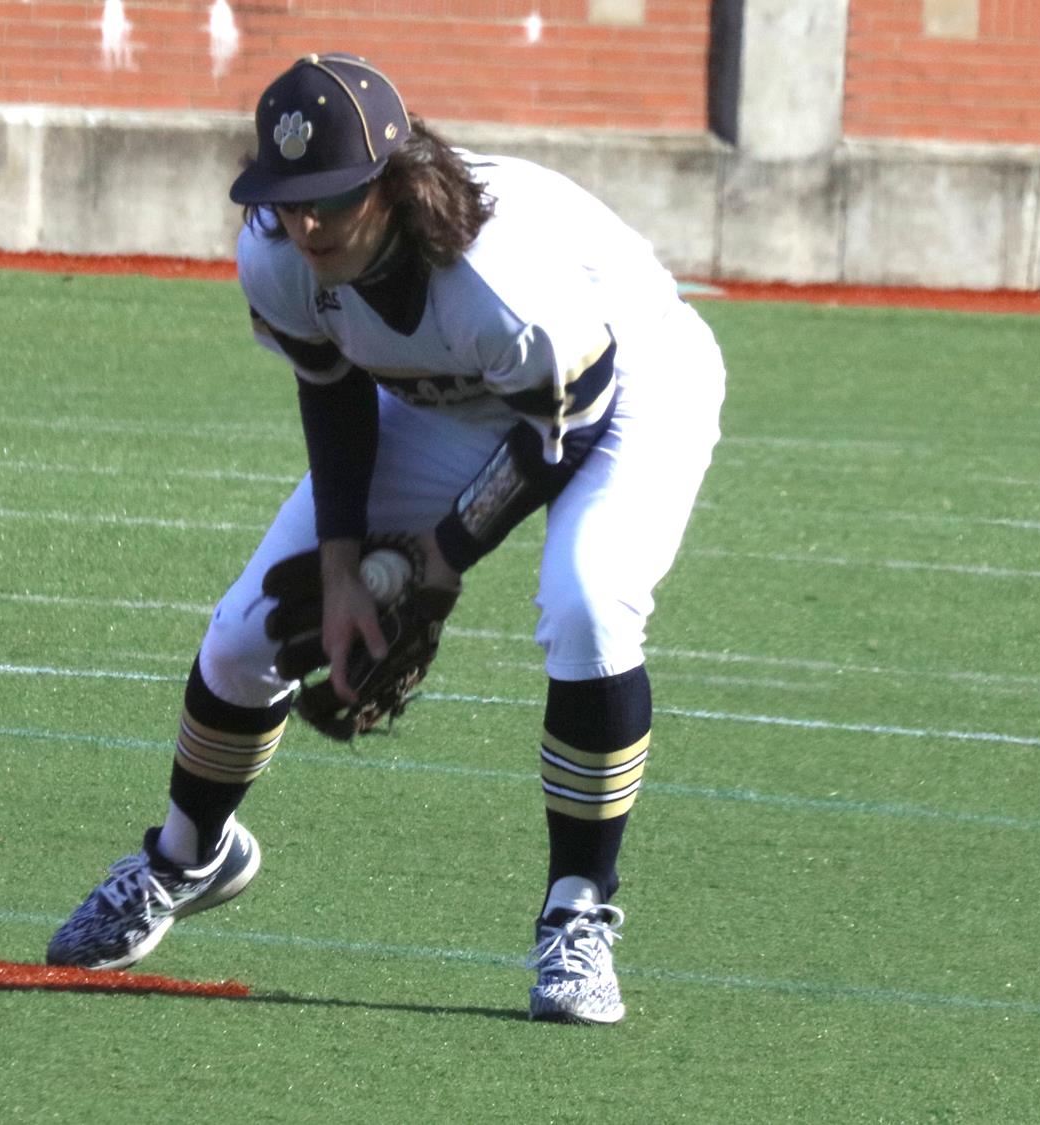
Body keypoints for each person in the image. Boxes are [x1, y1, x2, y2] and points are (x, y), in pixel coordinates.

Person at [44, 52, 725, 1024]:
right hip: (449, 394)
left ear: (392, 179)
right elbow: (330, 393)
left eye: (329, 196)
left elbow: (554, 438)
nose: (305, 221)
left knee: (587, 599)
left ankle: (577, 916)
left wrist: (428, 570)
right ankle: (185, 858)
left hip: (622, 385)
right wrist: (340, 563)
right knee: (246, 636)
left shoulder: (497, 276)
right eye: (286, 197)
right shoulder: (278, 251)